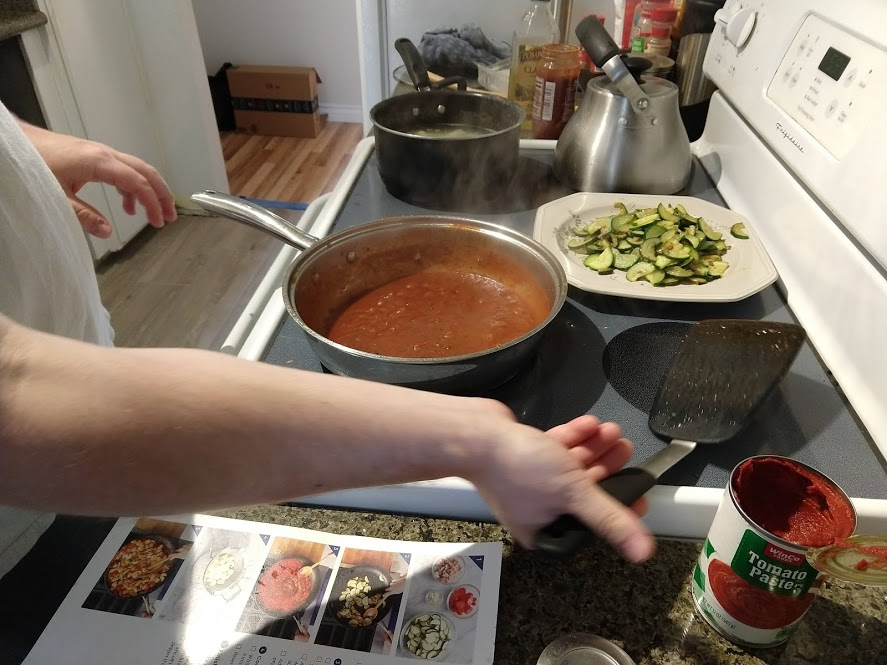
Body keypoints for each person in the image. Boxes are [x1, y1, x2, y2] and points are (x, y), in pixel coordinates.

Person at [0, 100, 655, 578]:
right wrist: (481, 440)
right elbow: (22, 397)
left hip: (86, 432)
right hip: (36, 513)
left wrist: (22, 150)